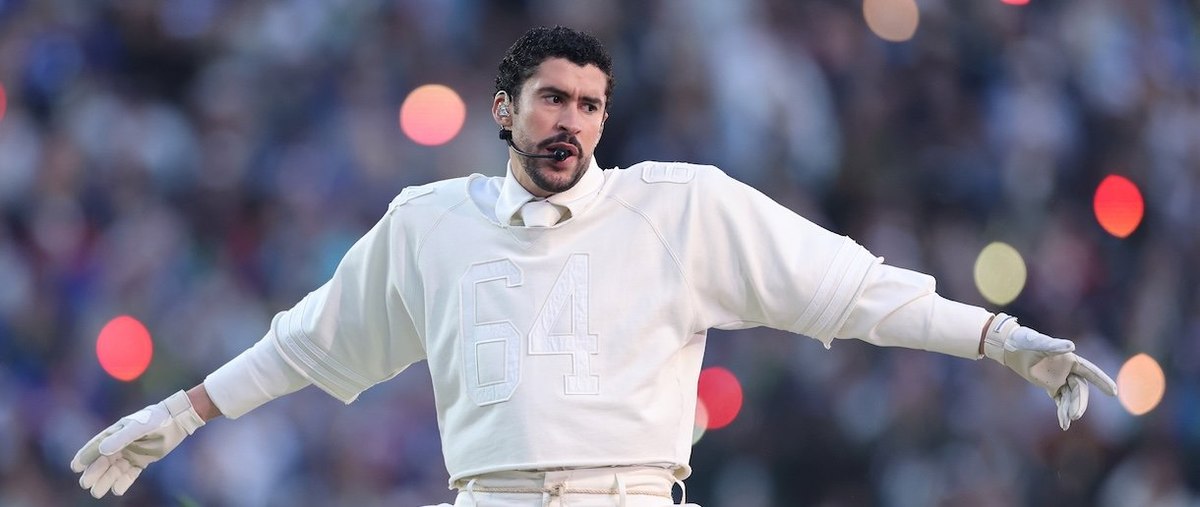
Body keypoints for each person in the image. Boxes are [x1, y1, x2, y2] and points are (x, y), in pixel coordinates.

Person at [71, 26, 1118, 506]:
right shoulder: (429, 224)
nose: (570, 119)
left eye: (589, 104)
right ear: (504, 111)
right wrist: (182, 413)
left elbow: (847, 287)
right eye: (551, 99)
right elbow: (308, 343)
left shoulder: (678, 206)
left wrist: (994, 336)